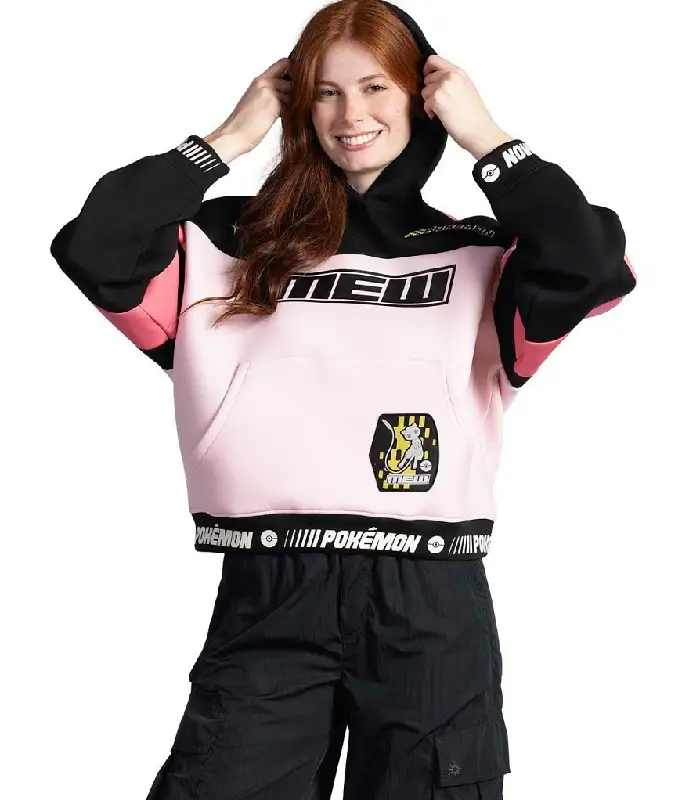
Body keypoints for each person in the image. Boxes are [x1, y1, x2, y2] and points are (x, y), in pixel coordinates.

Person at [49, 0, 637, 797]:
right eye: (325, 92)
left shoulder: (481, 253)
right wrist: (225, 140)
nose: (350, 115)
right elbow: (94, 245)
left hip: (430, 602)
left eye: (374, 88)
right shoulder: (227, 243)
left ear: (422, 99)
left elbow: (591, 260)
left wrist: (490, 141)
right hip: (270, 589)